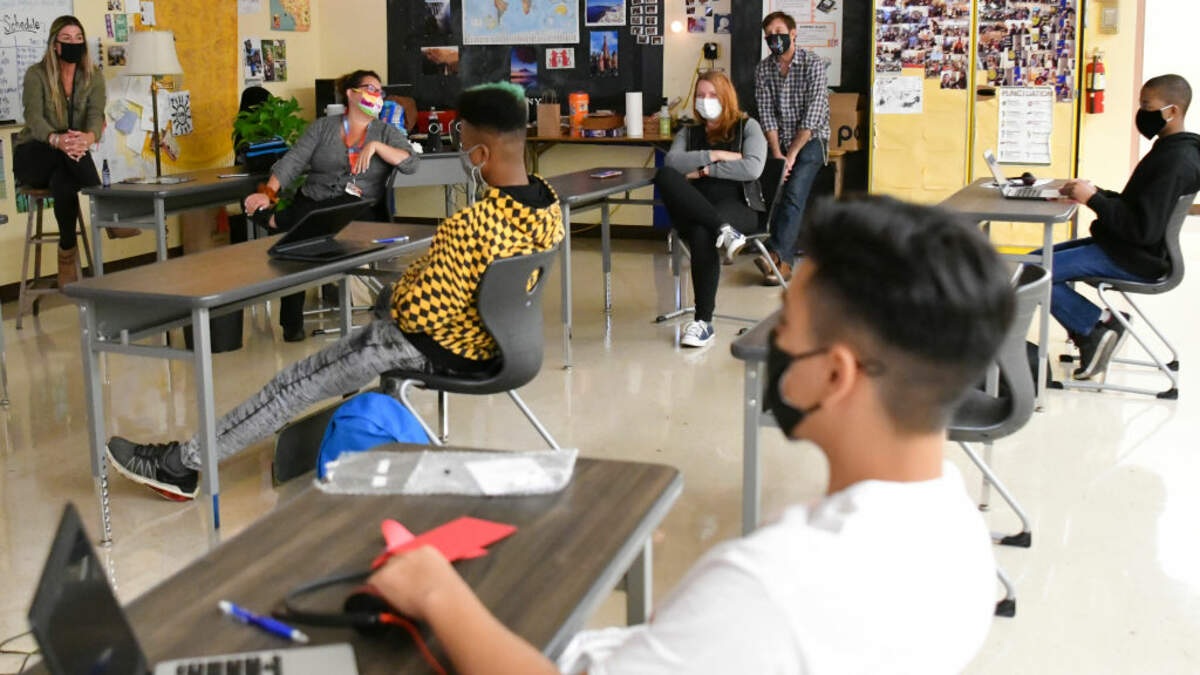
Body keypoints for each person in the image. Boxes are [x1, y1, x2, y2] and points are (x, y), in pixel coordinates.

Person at [364, 196, 1013, 674]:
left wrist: (436, 592)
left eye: (786, 323)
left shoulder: (773, 584)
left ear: (836, 374)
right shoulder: (957, 531)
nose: (769, 340)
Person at [105, 82, 565, 500]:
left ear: (480, 154)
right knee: (378, 312)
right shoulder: (547, 210)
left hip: (437, 348)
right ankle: (368, 431)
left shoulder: (471, 224)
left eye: (463, 141)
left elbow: (414, 315)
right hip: (501, 347)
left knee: (290, 385)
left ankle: (180, 466)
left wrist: (405, 288)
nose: (461, 149)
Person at [242, 69, 418, 342]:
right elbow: (293, 162)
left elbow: (411, 163)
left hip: (359, 209)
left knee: (299, 230)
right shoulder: (322, 127)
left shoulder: (385, 132)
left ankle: (277, 219)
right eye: (370, 89)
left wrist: (375, 147)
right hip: (313, 200)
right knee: (300, 238)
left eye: (379, 91)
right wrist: (268, 193)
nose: (377, 95)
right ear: (351, 94)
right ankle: (292, 323)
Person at [1049, 74, 1200, 379]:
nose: (1141, 112)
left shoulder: (1176, 161)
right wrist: (1094, 192)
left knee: (1031, 272)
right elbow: (1137, 207)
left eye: (1147, 105)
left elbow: (1142, 229)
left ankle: (1094, 328)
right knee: (1032, 263)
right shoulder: (1171, 149)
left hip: (1134, 256)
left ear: (1172, 111)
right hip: (1124, 247)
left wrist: (1093, 200)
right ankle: (1103, 325)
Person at [14, 15, 137, 289]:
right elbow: (34, 118)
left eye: (78, 38)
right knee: (64, 155)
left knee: (64, 180)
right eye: (67, 38)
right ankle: (111, 215)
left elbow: (95, 115)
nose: (74, 43)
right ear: (55, 45)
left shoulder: (93, 77)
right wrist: (57, 140)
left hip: (68, 157)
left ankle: (67, 257)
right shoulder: (36, 74)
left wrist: (88, 138)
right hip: (33, 155)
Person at [653, 70, 766, 348]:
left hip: (739, 206)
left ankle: (703, 322)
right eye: (701, 95)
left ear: (726, 97)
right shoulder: (689, 132)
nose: (706, 100)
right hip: (698, 207)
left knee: (702, 231)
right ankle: (722, 229)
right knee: (664, 175)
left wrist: (704, 171)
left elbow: (752, 167)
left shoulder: (748, 127)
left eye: (713, 95)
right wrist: (716, 154)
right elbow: (673, 163)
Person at [754, 11, 830, 286]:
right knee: (772, 191)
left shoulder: (813, 64)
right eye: (769, 35)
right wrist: (777, 155)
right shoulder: (764, 69)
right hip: (779, 142)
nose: (774, 38)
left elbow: (813, 115)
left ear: (793, 33)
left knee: (794, 191)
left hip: (812, 140)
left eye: (779, 32)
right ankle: (776, 256)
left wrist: (792, 156)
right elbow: (766, 115)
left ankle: (780, 258)